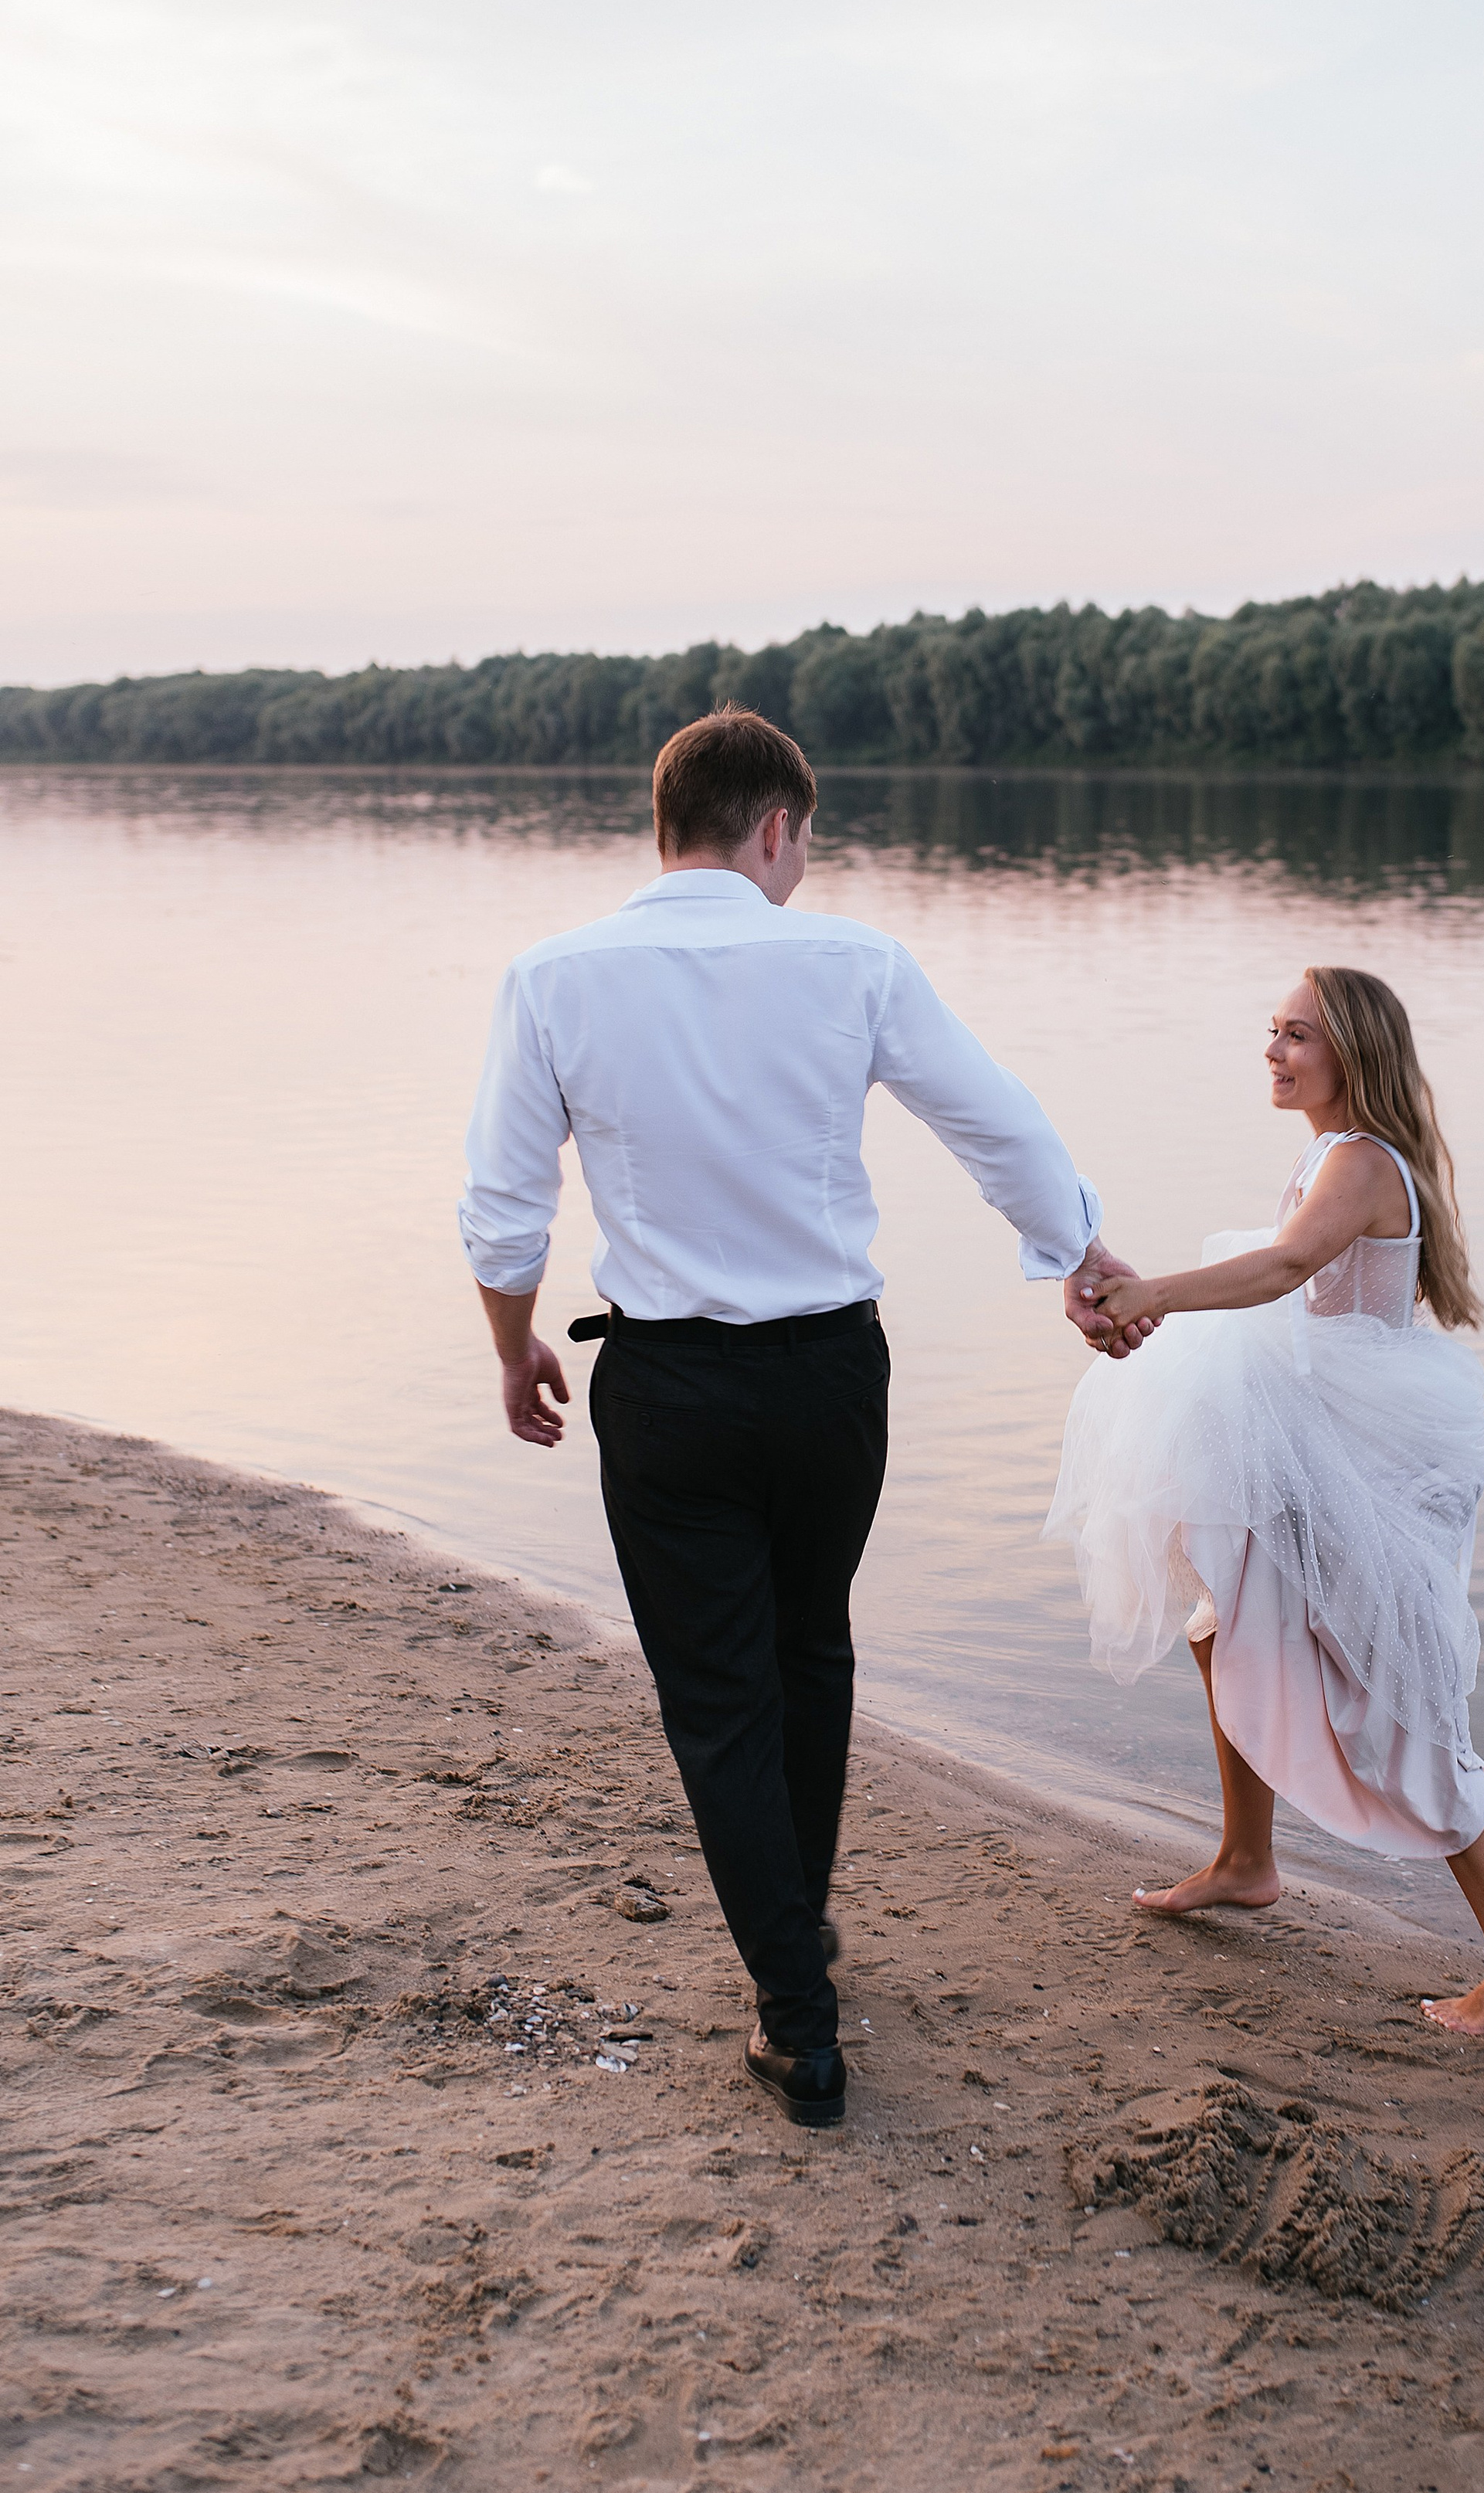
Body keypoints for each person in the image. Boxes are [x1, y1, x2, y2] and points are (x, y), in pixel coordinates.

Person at [458, 708, 1153, 2128]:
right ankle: (797, 1932)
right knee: (810, 1647)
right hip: (833, 1376)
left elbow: (503, 1202)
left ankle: (796, 2010)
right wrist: (1079, 1259)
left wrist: (512, 1341)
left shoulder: (553, 977)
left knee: (721, 1697)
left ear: (666, 822)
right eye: (804, 843)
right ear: (775, 827)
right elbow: (997, 1124)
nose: (801, 866)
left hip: (670, 1386)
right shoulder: (853, 962)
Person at [1045, 964, 1484, 2039]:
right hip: (1315, 1449)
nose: (1274, 1052)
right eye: (1272, 1030)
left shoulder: (1363, 1163)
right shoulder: (1331, 1155)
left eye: (1297, 1036)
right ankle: (1247, 1861)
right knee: (1219, 1622)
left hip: (1363, 1468)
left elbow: (1286, 1268)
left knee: (1403, 1700)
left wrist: (1153, 1296)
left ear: (1353, 1053)